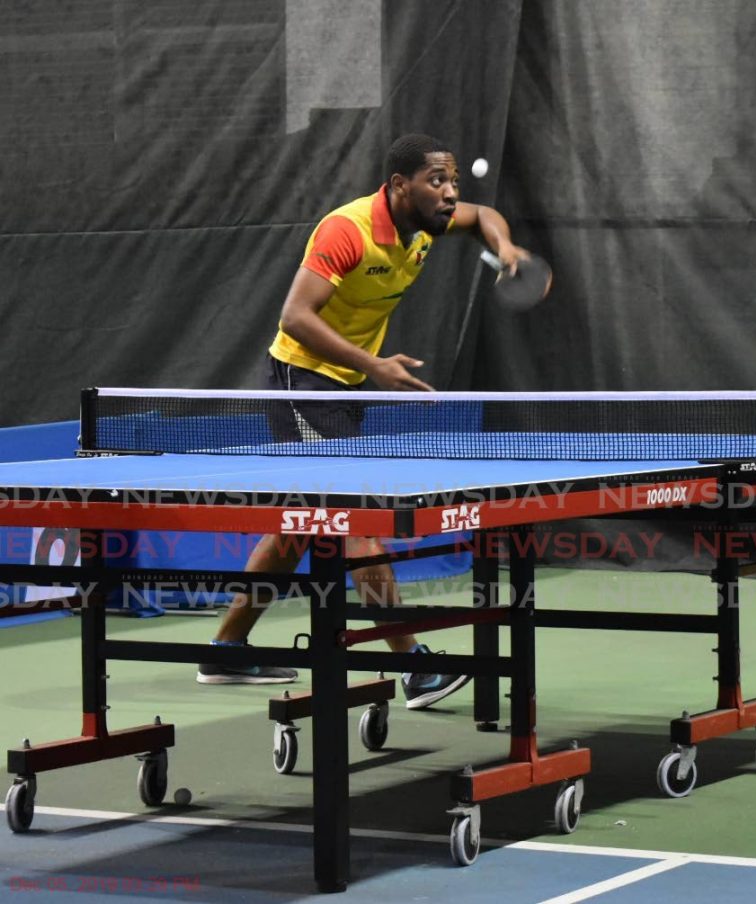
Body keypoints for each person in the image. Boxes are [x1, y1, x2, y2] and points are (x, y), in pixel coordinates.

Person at [197, 133, 542, 710]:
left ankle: (225, 649)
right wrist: (374, 366)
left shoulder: (429, 223)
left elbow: (484, 216)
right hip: (301, 384)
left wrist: (505, 247)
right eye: (438, 181)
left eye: (454, 180)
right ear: (399, 186)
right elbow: (295, 315)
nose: (451, 193)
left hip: (342, 387)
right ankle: (410, 664)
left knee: (296, 530)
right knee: (358, 520)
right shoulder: (348, 230)